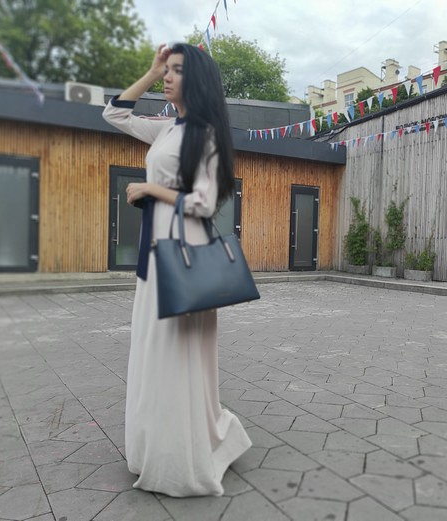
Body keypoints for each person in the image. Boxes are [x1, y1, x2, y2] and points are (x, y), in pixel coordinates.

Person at [102, 43, 251, 497]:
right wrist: (149, 71)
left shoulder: (205, 134)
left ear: (198, 80)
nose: (167, 77)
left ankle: (183, 455)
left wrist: (150, 189)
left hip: (184, 252)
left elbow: (204, 202)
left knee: (176, 352)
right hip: (157, 249)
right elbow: (115, 114)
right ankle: (158, 447)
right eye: (166, 70)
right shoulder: (167, 128)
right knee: (154, 348)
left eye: (176, 70)